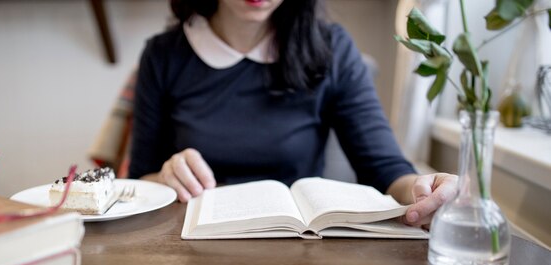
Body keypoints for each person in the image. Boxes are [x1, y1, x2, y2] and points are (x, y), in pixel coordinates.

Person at [128, 0, 457, 228]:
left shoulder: (332, 48)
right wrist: (166, 177)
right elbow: (140, 178)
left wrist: (424, 190)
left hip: (299, 249)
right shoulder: (164, 55)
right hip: (189, 250)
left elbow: (384, 168)